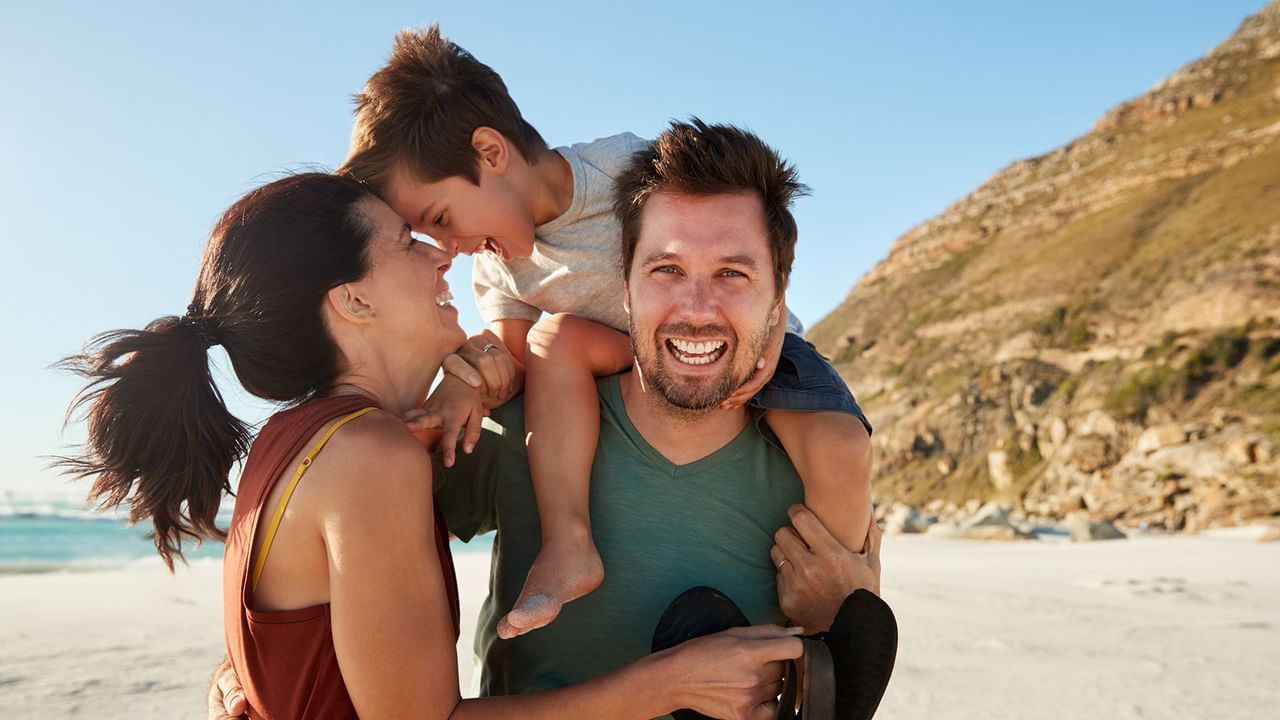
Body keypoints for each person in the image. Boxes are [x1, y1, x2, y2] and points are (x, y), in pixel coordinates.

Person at [60, 172, 810, 719]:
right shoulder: (367, 458)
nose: (440, 254)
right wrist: (671, 684)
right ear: (353, 301)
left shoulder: (300, 444)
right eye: (404, 243)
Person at [338, 25, 876, 639]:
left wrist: (772, 328)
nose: (450, 248)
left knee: (841, 447)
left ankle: (843, 622)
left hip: (745, 346)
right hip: (634, 356)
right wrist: (467, 381)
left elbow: (747, 230)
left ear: (491, 153)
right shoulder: (496, 267)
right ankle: (569, 543)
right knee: (552, 341)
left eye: (441, 218)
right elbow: (515, 365)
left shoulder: (627, 168)